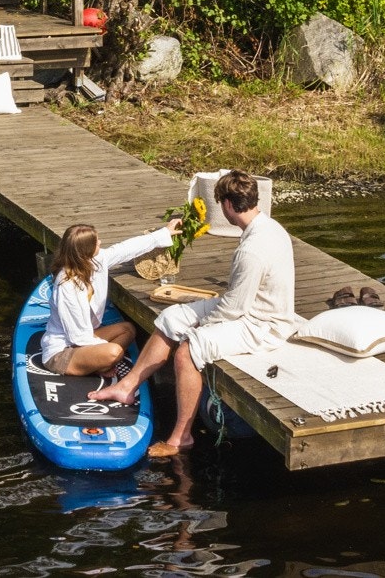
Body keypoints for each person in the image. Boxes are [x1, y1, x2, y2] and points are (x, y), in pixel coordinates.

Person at [89, 170, 303, 457]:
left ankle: (181, 437)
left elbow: (235, 309)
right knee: (169, 318)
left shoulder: (252, 249)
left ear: (227, 205)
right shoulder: (271, 227)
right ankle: (126, 387)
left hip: (261, 323)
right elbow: (235, 301)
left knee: (187, 351)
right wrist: (194, 318)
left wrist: (200, 326)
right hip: (245, 306)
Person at [40, 218, 178, 377]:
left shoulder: (94, 260)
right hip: (63, 351)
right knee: (114, 352)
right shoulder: (67, 286)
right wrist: (103, 349)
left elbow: (125, 249)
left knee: (128, 329)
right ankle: (99, 363)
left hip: (85, 339)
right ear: (86, 250)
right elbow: (77, 336)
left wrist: (165, 232)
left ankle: (98, 364)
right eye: (96, 242)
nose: (100, 242)